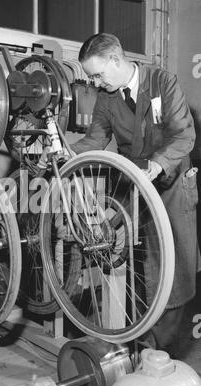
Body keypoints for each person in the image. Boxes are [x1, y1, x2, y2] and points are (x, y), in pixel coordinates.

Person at [71, 33, 200, 355]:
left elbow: (184, 135)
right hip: (135, 182)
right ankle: (137, 341)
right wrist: (63, 154)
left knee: (173, 270)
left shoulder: (162, 81)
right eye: (92, 77)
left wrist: (157, 167)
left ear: (116, 59)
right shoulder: (107, 97)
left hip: (170, 182)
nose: (96, 83)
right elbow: (95, 139)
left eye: (98, 75)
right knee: (135, 263)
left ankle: (162, 353)